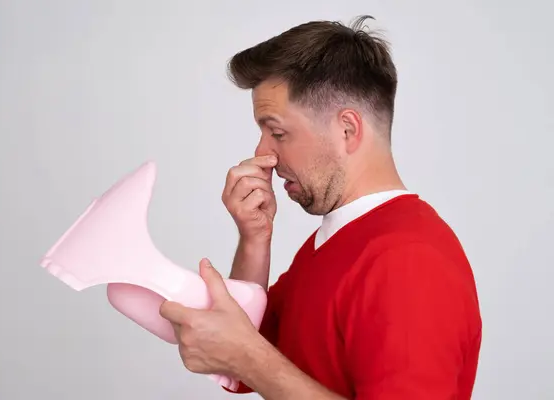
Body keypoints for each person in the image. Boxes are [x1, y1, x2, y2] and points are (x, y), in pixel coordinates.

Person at [159, 15, 482, 399]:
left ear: (347, 129)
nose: (263, 153)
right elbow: (246, 354)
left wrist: (246, 356)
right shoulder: (333, 242)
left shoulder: (409, 259)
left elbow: (249, 356)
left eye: (277, 132)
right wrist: (254, 239)